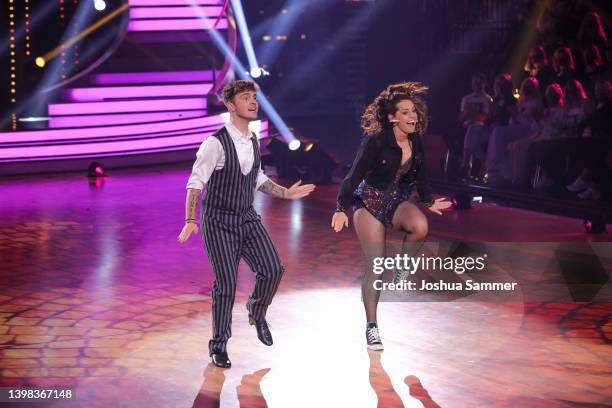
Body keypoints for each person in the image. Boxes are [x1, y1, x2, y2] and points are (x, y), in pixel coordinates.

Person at [178, 80, 315, 368]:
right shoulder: (214, 143)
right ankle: (219, 345)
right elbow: (195, 183)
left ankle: (256, 308)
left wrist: (285, 193)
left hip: (247, 217)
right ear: (230, 105)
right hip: (219, 221)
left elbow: (258, 178)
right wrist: (191, 219)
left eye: (254, 97)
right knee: (226, 284)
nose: (253, 102)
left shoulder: (253, 139)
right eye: (245, 98)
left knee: (273, 270)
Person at [330, 82, 451, 350]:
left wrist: (428, 200)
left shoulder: (416, 140)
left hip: (396, 200)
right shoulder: (375, 141)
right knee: (374, 267)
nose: (413, 117)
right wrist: (341, 207)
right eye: (406, 112)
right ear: (392, 117)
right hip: (369, 202)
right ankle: (372, 327)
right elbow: (353, 177)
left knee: (420, 226)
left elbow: (421, 176)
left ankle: (402, 269)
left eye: (414, 111)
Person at [459, 72, 492, 179]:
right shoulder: (466, 98)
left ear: (484, 84)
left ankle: (465, 165)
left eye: (479, 83)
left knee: (473, 130)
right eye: (475, 83)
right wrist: (467, 112)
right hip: (467, 127)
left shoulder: (486, 98)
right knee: (471, 131)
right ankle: (483, 164)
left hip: (481, 128)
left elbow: (485, 118)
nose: (477, 85)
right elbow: (461, 118)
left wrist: (473, 113)